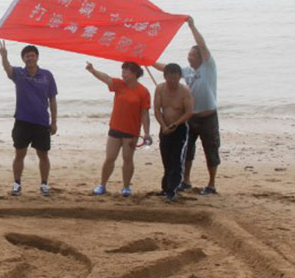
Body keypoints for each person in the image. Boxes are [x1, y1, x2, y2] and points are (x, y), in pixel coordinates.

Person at [153, 16, 218, 195]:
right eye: (189, 54)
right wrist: (148, 60)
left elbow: (202, 44)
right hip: (190, 117)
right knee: (187, 151)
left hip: (208, 116)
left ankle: (211, 184)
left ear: (201, 57)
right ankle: (186, 180)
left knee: (211, 149)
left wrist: (192, 26)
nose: (190, 57)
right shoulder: (185, 71)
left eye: (193, 55)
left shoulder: (208, 66)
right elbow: (166, 69)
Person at [0, 41, 57, 196]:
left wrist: (54, 122)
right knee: (20, 153)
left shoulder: (47, 75)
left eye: (32, 55)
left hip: (42, 122)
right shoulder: (19, 73)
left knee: (43, 155)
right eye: (27, 56)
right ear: (23, 59)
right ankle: (17, 183)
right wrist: (4, 56)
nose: (30, 58)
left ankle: (44, 184)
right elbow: (7, 68)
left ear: (37, 57)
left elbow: (52, 99)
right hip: (22, 121)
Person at [85, 61, 151, 197]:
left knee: (127, 159)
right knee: (110, 158)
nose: (123, 74)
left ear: (134, 74)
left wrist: (146, 133)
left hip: (131, 131)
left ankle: (126, 187)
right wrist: (93, 70)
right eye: (122, 71)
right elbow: (106, 78)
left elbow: (144, 114)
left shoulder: (143, 91)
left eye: (125, 72)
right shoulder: (119, 85)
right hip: (115, 128)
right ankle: (102, 185)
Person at [153, 63, 194, 201]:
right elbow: (157, 110)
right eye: (169, 78)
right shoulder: (160, 88)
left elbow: (189, 112)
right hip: (164, 128)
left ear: (179, 77)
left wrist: (176, 124)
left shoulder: (185, 91)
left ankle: (172, 189)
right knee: (166, 159)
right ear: (165, 77)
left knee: (177, 159)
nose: (172, 81)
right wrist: (163, 126)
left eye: (175, 78)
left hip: (180, 128)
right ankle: (165, 188)